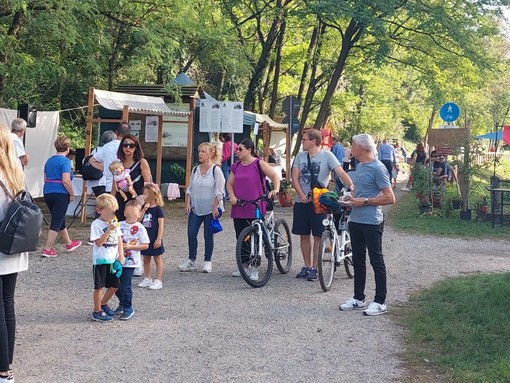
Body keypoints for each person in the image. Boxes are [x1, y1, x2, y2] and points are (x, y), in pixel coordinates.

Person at [339, 133, 395, 316]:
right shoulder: (360, 166)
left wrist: (363, 201)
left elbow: (389, 198)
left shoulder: (378, 168)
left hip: (372, 221)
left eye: (352, 145)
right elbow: (359, 194)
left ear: (361, 148)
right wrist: (348, 199)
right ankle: (358, 298)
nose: (350, 148)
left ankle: (380, 301)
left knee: (376, 260)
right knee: (358, 260)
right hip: (355, 220)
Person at [291, 129, 354, 281]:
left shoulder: (327, 155)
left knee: (318, 235)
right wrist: (300, 195)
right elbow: (295, 177)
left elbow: (340, 172)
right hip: (302, 202)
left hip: (319, 202)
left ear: (313, 141)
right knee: (303, 235)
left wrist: (352, 186)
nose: (302, 142)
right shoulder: (300, 156)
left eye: (304, 139)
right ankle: (306, 266)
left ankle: (315, 267)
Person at [226, 139, 280, 280]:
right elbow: (229, 184)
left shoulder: (258, 163)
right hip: (239, 205)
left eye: (240, 149)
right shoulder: (236, 166)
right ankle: (244, 264)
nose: (237, 151)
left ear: (249, 150)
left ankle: (255, 267)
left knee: (255, 236)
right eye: (237, 149)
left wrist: (275, 189)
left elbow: (274, 176)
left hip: (255, 205)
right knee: (241, 236)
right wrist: (232, 196)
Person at [0, 123, 28, 382]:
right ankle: (6, 364)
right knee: (8, 305)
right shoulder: (15, 172)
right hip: (14, 248)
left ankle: (3, 370)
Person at [179, 142, 224, 274]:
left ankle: (207, 261)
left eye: (203, 151)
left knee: (208, 235)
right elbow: (190, 188)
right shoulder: (195, 170)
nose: (200, 154)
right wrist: (187, 203)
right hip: (196, 207)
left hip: (210, 208)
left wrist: (215, 207)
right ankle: (191, 260)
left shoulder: (216, 170)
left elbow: (219, 191)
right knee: (191, 233)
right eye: (199, 151)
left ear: (211, 153)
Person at [41, 135, 82, 257]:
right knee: (57, 220)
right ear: (67, 147)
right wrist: (71, 193)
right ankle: (47, 248)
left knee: (59, 217)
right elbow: (66, 180)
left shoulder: (49, 161)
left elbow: (44, 178)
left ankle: (69, 243)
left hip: (48, 191)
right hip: (61, 193)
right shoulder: (65, 161)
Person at [90, 193, 124, 322]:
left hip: (112, 260)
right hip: (100, 261)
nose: (112, 214)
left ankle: (103, 303)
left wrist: (121, 255)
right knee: (99, 286)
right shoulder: (96, 225)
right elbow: (98, 242)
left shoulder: (115, 222)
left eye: (113, 211)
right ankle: (97, 310)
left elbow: (119, 238)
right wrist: (108, 230)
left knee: (115, 285)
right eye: (109, 212)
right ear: (99, 210)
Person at [116, 200, 149, 320]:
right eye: (129, 213)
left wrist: (131, 247)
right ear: (124, 213)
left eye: (135, 214)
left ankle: (128, 307)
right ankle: (121, 303)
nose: (132, 216)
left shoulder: (140, 228)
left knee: (126, 285)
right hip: (117, 261)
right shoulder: (119, 225)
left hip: (130, 262)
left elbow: (145, 245)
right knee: (115, 285)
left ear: (139, 215)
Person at [114, 134, 151, 221]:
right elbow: (114, 184)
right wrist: (111, 201)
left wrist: (145, 200)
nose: (128, 147)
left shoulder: (142, 162)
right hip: (120, 199)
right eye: (125, 145)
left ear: (136, 147)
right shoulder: (118, 163)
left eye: (131, 145)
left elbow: (148, 184)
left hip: (135, 200)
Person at [89, 123, 131, 196]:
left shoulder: (107, 146)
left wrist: (107, 168)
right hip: (127, 184)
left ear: (116, 133)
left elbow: (92, 160)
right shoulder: (130, 147)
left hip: (109, 185)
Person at [138, 183, 166, 289]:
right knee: (146, 259)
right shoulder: (143, 207)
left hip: (154, 238)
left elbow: (161, 225)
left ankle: (158, 280)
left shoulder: (158, 210)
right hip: (145, 238)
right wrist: (144, 209)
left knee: (157, 259)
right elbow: (138, 220)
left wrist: (158, 239)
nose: (144, 196)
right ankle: (147, 278)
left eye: (146, 194)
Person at [88, 130, 117, 197]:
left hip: (95, 182)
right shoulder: (110, 150)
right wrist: (107, 168)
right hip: (105, 182)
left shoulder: (95, 150)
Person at [219, 133, 237, 198]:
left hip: (226, 163)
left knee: (226, 179)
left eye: (221, 137)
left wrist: (220, 160)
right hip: (233, 162)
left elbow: (225, 155)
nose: (221, 139)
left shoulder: (226, 144)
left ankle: (227, 194)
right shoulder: (234, 144)